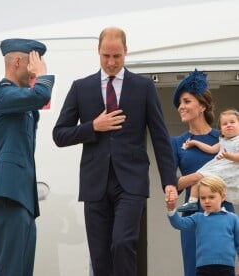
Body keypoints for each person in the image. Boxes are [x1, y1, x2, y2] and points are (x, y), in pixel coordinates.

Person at [52, 26, 178, 276]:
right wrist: (93, 127)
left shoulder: (143, 87)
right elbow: (60, 134)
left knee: (122, 243)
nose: (111, 62)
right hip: (94, 183)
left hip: (131, 182)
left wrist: (169, 182)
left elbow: (160, 137)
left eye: (117, 56)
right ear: (98, 51)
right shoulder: (81, 87)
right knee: (100, 258)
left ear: (126, 52)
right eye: (106, 56)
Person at [0, 38, 55, 276]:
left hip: (22, 198)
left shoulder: (19, 103)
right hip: (7, 195)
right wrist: (42, 75)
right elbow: (41, 95)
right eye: (33, 62)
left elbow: (34, 103)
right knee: (8, 270)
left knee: (22, 270)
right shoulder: (2, 94)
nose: (36, 69)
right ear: (18, 62)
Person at [171, 68, 235, 276]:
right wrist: (199, 176)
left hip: (223, 213)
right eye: (180, 103)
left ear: (202, 106)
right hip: (193, 218)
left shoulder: (223, 138)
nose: (181, 107)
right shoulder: (176, 143)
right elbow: (171, 184)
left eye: (186, 101)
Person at [166, 175, 239, 276]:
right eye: (203, 198)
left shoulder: (232, 218)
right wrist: (171, 209)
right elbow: (179, 224)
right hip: (203, 268)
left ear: (222, 197)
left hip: (227, 268)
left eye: (211, 197)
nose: (207, 201)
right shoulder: (198, 218)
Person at [177, 108, 239, 212]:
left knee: (201, 177)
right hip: (218, 167)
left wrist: (228, 156)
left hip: (229, 169)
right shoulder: (223, 141)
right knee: (200, 176)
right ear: (221, 130)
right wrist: (195, 143)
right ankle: (192, 202)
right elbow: (211, 149)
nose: (228, 125)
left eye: (232, 122)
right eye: (224, 124)